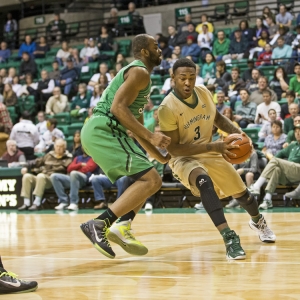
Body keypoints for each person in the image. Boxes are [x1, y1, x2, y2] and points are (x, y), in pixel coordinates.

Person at [158, 58, 275, 260]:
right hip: (183, 158)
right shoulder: (167, 107)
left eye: (191, 78)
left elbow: (218, 118)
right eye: (182, 78)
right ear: (173, 79)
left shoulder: (203, 92)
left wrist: (241, 135)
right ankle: (229, 237)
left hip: (210, 151)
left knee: (243, 195)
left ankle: (258, 220)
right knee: (204, 182)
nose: (187, 82)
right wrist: (214, 146)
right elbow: (175, 149)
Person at [80, 34, 171, 259]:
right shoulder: (139, 71)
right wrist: (152, 136)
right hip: (104, 129)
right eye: (155, 46)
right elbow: (117, 109)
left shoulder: (141, 79)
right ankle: (101, 223)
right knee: (151, 180)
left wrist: (161, 158)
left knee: (147, 179)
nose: (160, 50)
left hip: (104, 131)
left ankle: (123, 224)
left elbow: (136, 130)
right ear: (144, 51)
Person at [250, 126, 300, 209]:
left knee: (275, 161)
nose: (298, 133)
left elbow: (275, 159)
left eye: (299, 131)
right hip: (289, 173)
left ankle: (256, 186)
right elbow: (277, 156)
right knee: (276, 169)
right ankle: (268, 199)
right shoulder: (292, 145)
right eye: (296, 131)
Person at [18, 138, 72, 211]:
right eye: (57, 146)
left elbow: (65, 170)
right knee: (27, 176)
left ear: (64, 147)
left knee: (40, 176)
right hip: (42, 178)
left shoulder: (68, 158)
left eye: (61, 146)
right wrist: (26, 166)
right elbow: (36, 162)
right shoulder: (49, 155)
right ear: (54, 146)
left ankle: (37, 203)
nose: (59, 148)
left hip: (53, 180)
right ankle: (26, 203)